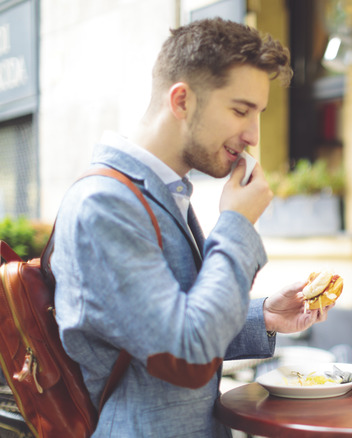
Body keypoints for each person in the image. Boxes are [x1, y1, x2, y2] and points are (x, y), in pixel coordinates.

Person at [51, 18, 330, 437]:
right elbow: (184, 355)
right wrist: (236, 224)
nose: (253, 135)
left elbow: (170, 328)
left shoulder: (164, 193)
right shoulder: (104, 205)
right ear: (181, 101)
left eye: (259, 113)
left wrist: (263, 317)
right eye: (240, 110)